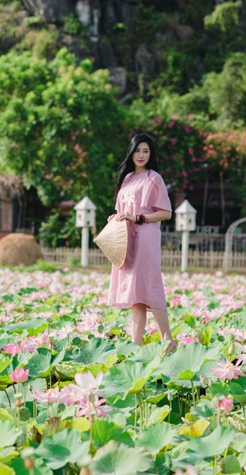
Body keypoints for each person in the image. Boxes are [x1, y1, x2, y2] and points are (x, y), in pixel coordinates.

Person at [106, 133, 175, 353]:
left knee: (150, 285)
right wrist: (116, 218)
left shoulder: (154, 178)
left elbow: (166, 213)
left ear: (151, 154)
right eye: (138, 150)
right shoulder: (126, 179)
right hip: (127, 239)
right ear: (131, 152)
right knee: (136, 294)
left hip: (145, 237)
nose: (141, 155)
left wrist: (139, 218)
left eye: (146, 151)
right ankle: (136, 345)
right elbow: (122, 211)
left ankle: (167, 338)